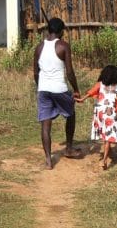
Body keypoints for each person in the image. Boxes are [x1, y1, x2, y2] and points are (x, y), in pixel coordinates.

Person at [33, 17, 81, 169]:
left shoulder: (39, 48)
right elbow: (70, 72)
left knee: (45, 125)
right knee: (71, 114)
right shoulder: (63, 46)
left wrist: (41, 86)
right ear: (61, 32)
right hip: (59, 88)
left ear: (48, 30)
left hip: (43, 89)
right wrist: (76, 89)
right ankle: (69, 148)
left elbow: (35, 73)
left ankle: (48, 160)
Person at [82, 65, 117, 170]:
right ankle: (104, 161)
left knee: (104, 134)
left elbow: (91, 92)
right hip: (110, 114)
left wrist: (82, 99)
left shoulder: (100, 85)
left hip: (99, 113)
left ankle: (109, 151)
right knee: (108, 137)